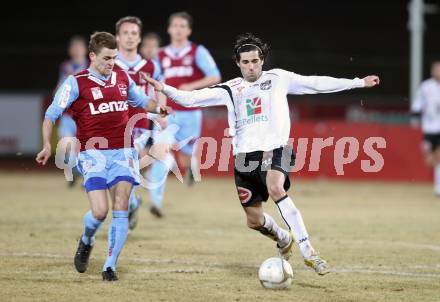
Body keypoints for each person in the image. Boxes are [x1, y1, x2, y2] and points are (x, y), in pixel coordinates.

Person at [143, 33, 380, 275]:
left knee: (276, 187)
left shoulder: (279, 78)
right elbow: (191, 99)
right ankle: (282, 238)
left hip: (277, 149)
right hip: (245, 159)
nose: (251, 66)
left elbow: (315, 83)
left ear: (262, 59)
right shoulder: (230, 88)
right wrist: (163, 88)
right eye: (245, 62)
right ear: (238, 63)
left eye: (255, 61)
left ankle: (309, 252)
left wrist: (358, 82)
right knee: (254, 220)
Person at [36, 32, 169, 281]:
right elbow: (51, 114)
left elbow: (141, 101)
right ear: (92, 56)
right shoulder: (75, 82)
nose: (112, 63)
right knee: (99, 212)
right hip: (93, 154)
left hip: (124, 151)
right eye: (107, 58)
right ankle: (87, 239)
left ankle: (110, 266)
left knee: (121, 206)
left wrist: (159, 108)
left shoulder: (122, 76)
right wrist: (46, 145)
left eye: (115, 58)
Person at [149, 11, 221, 217]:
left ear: (188, 30)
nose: (179, 30)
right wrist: (160, 111)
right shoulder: (160, 55)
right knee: (160, 154)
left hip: (191, 112)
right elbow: (157, 85)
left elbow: (215, 75)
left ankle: (191, 168)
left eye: (183, 26)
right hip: (168, 113)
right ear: (169, 29)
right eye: (175, 26)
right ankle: (156, 202)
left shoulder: (198, 51)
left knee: (186, 158)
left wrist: (191, 85)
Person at [113, 16, 163, 228]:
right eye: (126, 33)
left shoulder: (150, 66)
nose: (130, 37)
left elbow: (160, 90)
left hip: (138, 127)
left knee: (127, 167)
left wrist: (161, 114)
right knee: (115, 178)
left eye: (134, 33)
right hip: (110, 126)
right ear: (117, 37)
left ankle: (127, 208)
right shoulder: (109, 64)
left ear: (139, 38)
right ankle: (133, 203)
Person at [56, 36, 89, 188]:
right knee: (65, 146)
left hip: (86, 116)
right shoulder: (65, 67)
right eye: (74, 47)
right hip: (69, 116)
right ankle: (76, 170)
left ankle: (86, 176)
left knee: (86, 149)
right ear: (70, 50)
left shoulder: (91, 67)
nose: (76, 50)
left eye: (79, 47)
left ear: (85, 50)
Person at [411, 60, 440, 196]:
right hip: (429, 128)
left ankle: (438, 188)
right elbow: (417, 104)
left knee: (439, 157)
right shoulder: (426, 87)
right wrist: (416, 110)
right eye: (435, 69)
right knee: (430, 160)